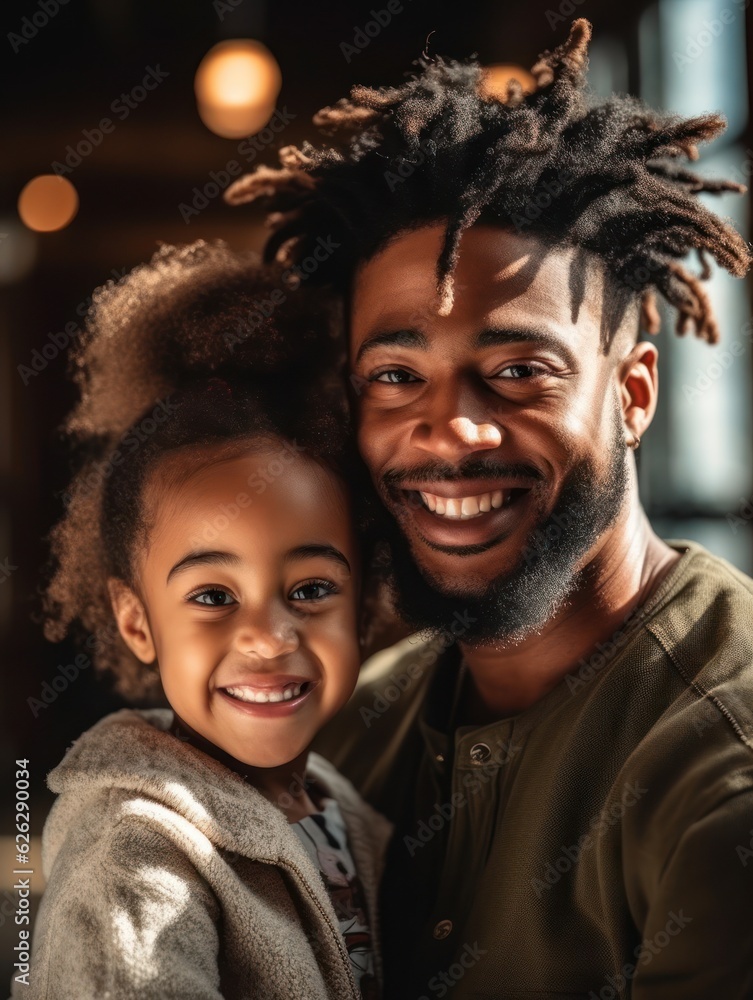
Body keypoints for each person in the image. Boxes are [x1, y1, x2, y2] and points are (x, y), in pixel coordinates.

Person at [224, 18, 753, 999]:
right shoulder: (352, 727)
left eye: (517, 371)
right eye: (395, 375)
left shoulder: (722, 765)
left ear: (633, 395)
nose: (447, 433)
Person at [15, 241, 390, 1000]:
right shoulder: (132, 856)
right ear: (137, 621)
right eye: (213, 597)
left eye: (312, 588)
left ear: (366, 601)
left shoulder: (350, 814)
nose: (266, 635)